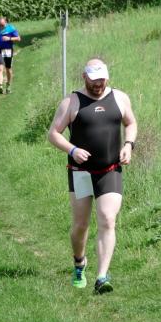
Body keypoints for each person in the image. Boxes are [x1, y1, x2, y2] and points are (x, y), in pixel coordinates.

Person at [47, 59, 138, 294]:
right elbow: (53, 133)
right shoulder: (72, 102)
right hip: (81, 173)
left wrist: (128, 145)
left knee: (107, 219)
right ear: (84, 77)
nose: (98, 84)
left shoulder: (120, 98)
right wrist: (72, 150)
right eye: (94, 80)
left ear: (107, 77)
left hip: (110, 170)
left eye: (102, 80)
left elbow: (131, 123)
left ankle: (102, 276)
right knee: (81, 225)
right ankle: (79, 262)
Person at [0, 16, 21, 94]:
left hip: (8, 50)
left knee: (8, 69)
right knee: (0, 68)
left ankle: (8, 86)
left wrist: (9, 39)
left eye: (2, 25)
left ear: (6, 22)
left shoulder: (11, 28)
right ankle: (0, 86)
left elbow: (18, 38)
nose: (1, 27)